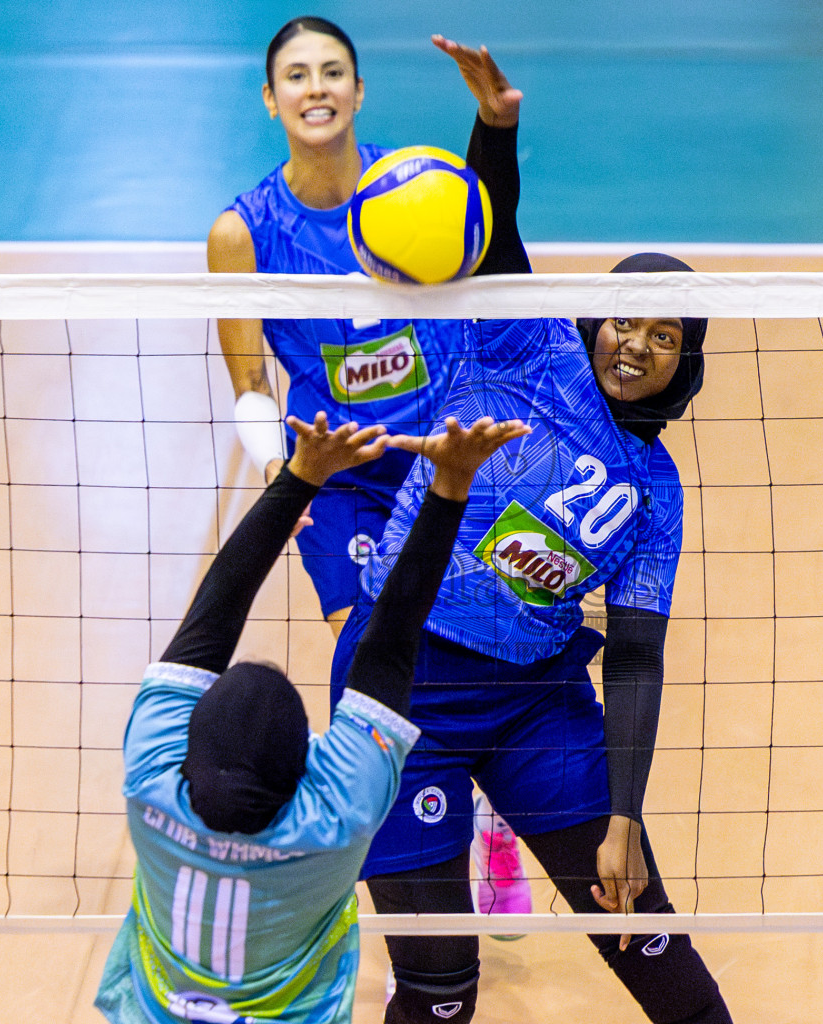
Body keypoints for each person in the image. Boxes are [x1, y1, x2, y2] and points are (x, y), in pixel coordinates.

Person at [327, 229, 731, 1018]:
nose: (635, 345)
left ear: (686, 360)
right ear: (594, 320)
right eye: (624, 321)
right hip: (404, 692)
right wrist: (498, 128)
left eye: (664, 336)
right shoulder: (528, 341)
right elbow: (497, 230)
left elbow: (637, 656)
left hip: (536, 703)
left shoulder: (657, 489)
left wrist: (626, 816)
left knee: (650, 942)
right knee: (440, 992)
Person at [207, 17, 535, 919]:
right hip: (344, 472)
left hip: (447, 454)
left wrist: (495, 129)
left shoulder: (420, 187)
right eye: (297, 76)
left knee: (469, 639)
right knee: (370, 648)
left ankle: (484, 811)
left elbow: (497, 262)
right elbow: (248, 381)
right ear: (271, 99)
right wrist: (286, 477)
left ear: (357, 92)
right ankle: (399, 851)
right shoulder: (243, 233)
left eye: (333, 73)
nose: (316, 88)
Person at [94, 411, 529, 1024]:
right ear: (306, 766)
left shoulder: (151, 782)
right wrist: (452, 479)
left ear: (186, 753)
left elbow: (214, 617)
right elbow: (390, 638)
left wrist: (300, 475)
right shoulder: (334, 818)